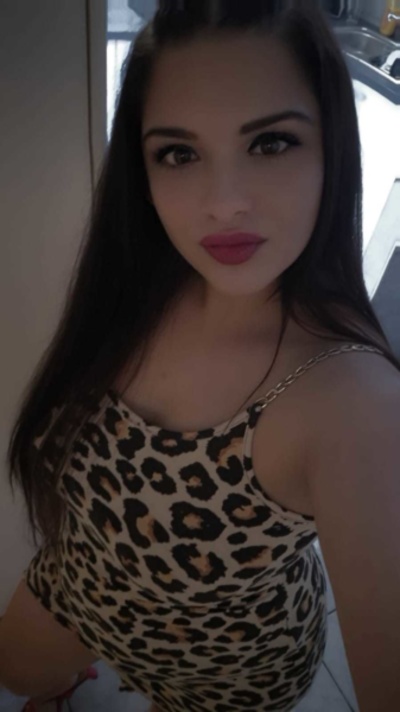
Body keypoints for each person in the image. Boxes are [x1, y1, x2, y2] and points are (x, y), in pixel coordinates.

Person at [1, 1, 400, 711]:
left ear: (332, 149)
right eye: (179, 154)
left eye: (271, 142)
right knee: (15, 671)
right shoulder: (143, 283)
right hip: (79, 579)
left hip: (226, 669)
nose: (224, 204)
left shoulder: (355, 401)